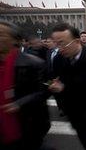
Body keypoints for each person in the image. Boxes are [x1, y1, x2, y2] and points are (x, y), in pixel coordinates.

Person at [0, 21, 50, 150]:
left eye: (1, 34)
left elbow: (43, 92)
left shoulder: (33, 63)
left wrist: (19, 104)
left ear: (13, 40)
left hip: (26, 125)